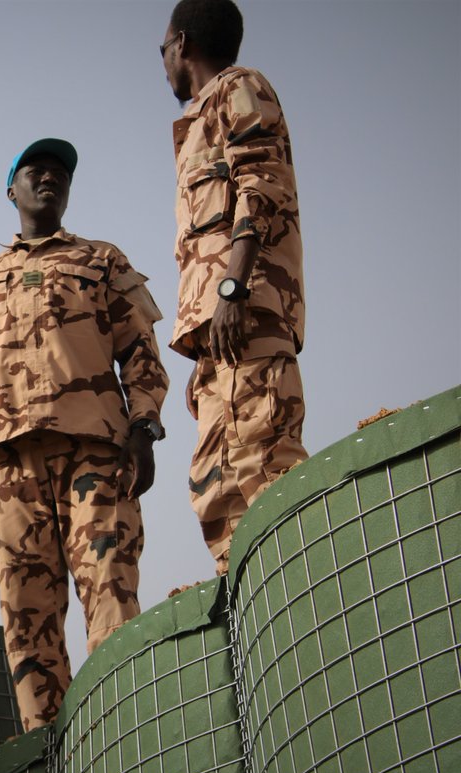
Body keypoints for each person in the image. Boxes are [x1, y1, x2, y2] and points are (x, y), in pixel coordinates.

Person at [0, 141, 170, 731]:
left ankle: (123, 738)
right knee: (26, 617)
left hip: (95, 451)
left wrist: (144, 426)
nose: (49, 178)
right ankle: (49, 756)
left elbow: (140, 351)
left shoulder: (102, 259)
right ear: (13, 190)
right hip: (7, 466)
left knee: (109, 591)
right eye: (35, 172)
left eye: (60, 173)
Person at [160, 0, 308, 575]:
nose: (164, 62)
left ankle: (305, 610)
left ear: (183, 43)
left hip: (245, 318)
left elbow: (262, 184)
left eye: (163, 49)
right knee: (220, 493)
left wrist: (231, 289)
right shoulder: (198, 119)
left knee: (269, 472)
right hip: (217, 342)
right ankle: (258, 628)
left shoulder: (237, 88)